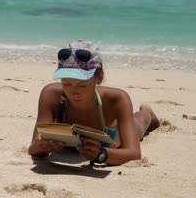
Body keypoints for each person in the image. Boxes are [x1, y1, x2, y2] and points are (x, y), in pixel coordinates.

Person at [28, 40, 160, 166]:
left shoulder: (117, 98)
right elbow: (33, 147)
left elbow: (134, 153)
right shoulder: (51, 94)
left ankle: (148, 113)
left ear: (98, 78)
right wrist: (41, 147)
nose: (73, 91)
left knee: (139, 123)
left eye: (82, 85)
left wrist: (100, 154)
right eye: (66, 83)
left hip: (113, 141)